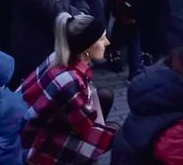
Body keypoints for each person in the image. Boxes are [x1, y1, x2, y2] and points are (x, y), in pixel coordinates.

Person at [19, 13, 115, 165]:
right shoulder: (70, 82)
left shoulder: (57, 57)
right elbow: (84, 126)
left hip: (33, 131)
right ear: (86, 48)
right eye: (102, 39)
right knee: (117, 133)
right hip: (37, 146)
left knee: (105, 98)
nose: (107, 42)